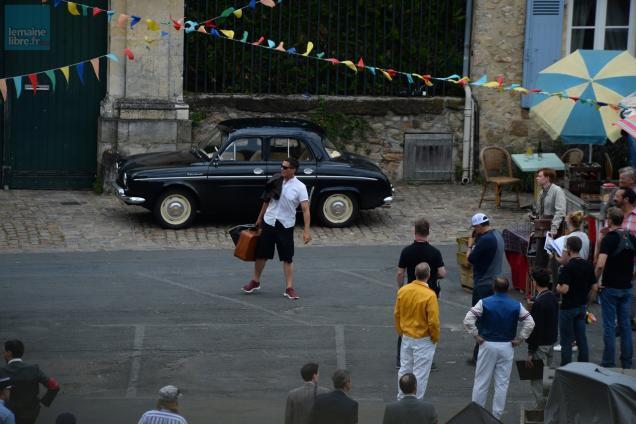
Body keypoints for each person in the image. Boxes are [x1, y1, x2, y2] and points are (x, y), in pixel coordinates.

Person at [463, 277, 535, 420]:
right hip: (507, 346)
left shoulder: (484, 303)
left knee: (481, 382)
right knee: (502, 383)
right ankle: (497, 416)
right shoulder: (516, 305)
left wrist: (476, 335)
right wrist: (520, 339)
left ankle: (477, 416)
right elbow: (530, 322)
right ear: (507, 289)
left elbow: (468, 319)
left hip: (487, 344)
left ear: (493, 287)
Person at [242, 157, 312, 300]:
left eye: (285, 167)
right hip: (269, 221)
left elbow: (305, 209)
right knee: (261, 254)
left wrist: (306, 231)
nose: (282, 169)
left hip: (285, 225)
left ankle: (289, 288)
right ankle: (255, 281)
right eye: (281, 166)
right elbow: (266, 201)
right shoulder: (275, 180)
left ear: (293, 170)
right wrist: (259, 218)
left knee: (287, 257)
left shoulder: (300, 187)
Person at [396, 218, 446, 368]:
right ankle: (425, 359)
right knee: (427, 323)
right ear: (428, 232)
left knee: (407, 322)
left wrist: (401, 287)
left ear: (415, 231)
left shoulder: (406, 251)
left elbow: (400, 273)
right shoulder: (435, 252)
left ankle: (401, 358)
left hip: (410, 291)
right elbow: (442, 273)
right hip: (428, 292)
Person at [595, 207, 636, 369]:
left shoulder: (609, 239)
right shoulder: (631, 238)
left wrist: (595, 281)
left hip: (610, 287)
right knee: (625, 325)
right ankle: (626, 361)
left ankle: (608, 362)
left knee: (609, 326)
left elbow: (600, 264)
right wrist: (633, 276)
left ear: (610, 220)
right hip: (626, 287)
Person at [394, 262, 440, 400]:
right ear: (429, 275)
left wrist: (401, 331)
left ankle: (401, 398)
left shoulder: (403, 291)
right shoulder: (430, 295)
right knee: (421, 373)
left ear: (414, 274)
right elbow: (433, 321)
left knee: (404, 370)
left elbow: (397, 314)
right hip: (424, 338)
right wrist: (434, 337)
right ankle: (416, 402)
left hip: (407, 335)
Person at [466, 213, 504, 364]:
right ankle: (486, 354)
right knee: (491, 318)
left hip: (483, 283)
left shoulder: (485, 241)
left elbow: (470, 259)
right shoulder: (497, 235)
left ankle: (479, 356)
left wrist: (470, 244)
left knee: (479, 320)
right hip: (494, 280)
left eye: (475, 228)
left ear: (479, 226)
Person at [555, 236, 598, 365]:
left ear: (568, 248)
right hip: (581, 306)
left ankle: (567, 368)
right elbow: (595, 287)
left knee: (566, 340)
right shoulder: (588, 265)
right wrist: (587, 302)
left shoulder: (567, 268)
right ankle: (584, 366)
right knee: (581, 339)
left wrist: (557, 287)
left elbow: (564, 289)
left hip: (568, 307)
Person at [0, 340, 59, 424]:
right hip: (31, 413)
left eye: (4, 352)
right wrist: (42, 403)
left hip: (10, 414)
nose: (3, 354)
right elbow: (54, 386)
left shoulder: (2, 371)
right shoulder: (33, 369)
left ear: (9, 353)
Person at [525, 268, 558, 409]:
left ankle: (541, 408)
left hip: (540, 344)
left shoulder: (538, 304)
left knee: (536, 379)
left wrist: (530, 352)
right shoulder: (552, 297)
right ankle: (550, 403)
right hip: (551, 341)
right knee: (549, 376)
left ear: (535, 283)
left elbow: (535, 329)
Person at [535, 168, 567, 237]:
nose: (537, 178)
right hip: (543, 226)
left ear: (547, 178)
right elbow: (541, 212)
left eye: (540, 176)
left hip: (554, 228)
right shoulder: (541, 192)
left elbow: (560, 211)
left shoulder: (557, 191)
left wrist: (554, 228)